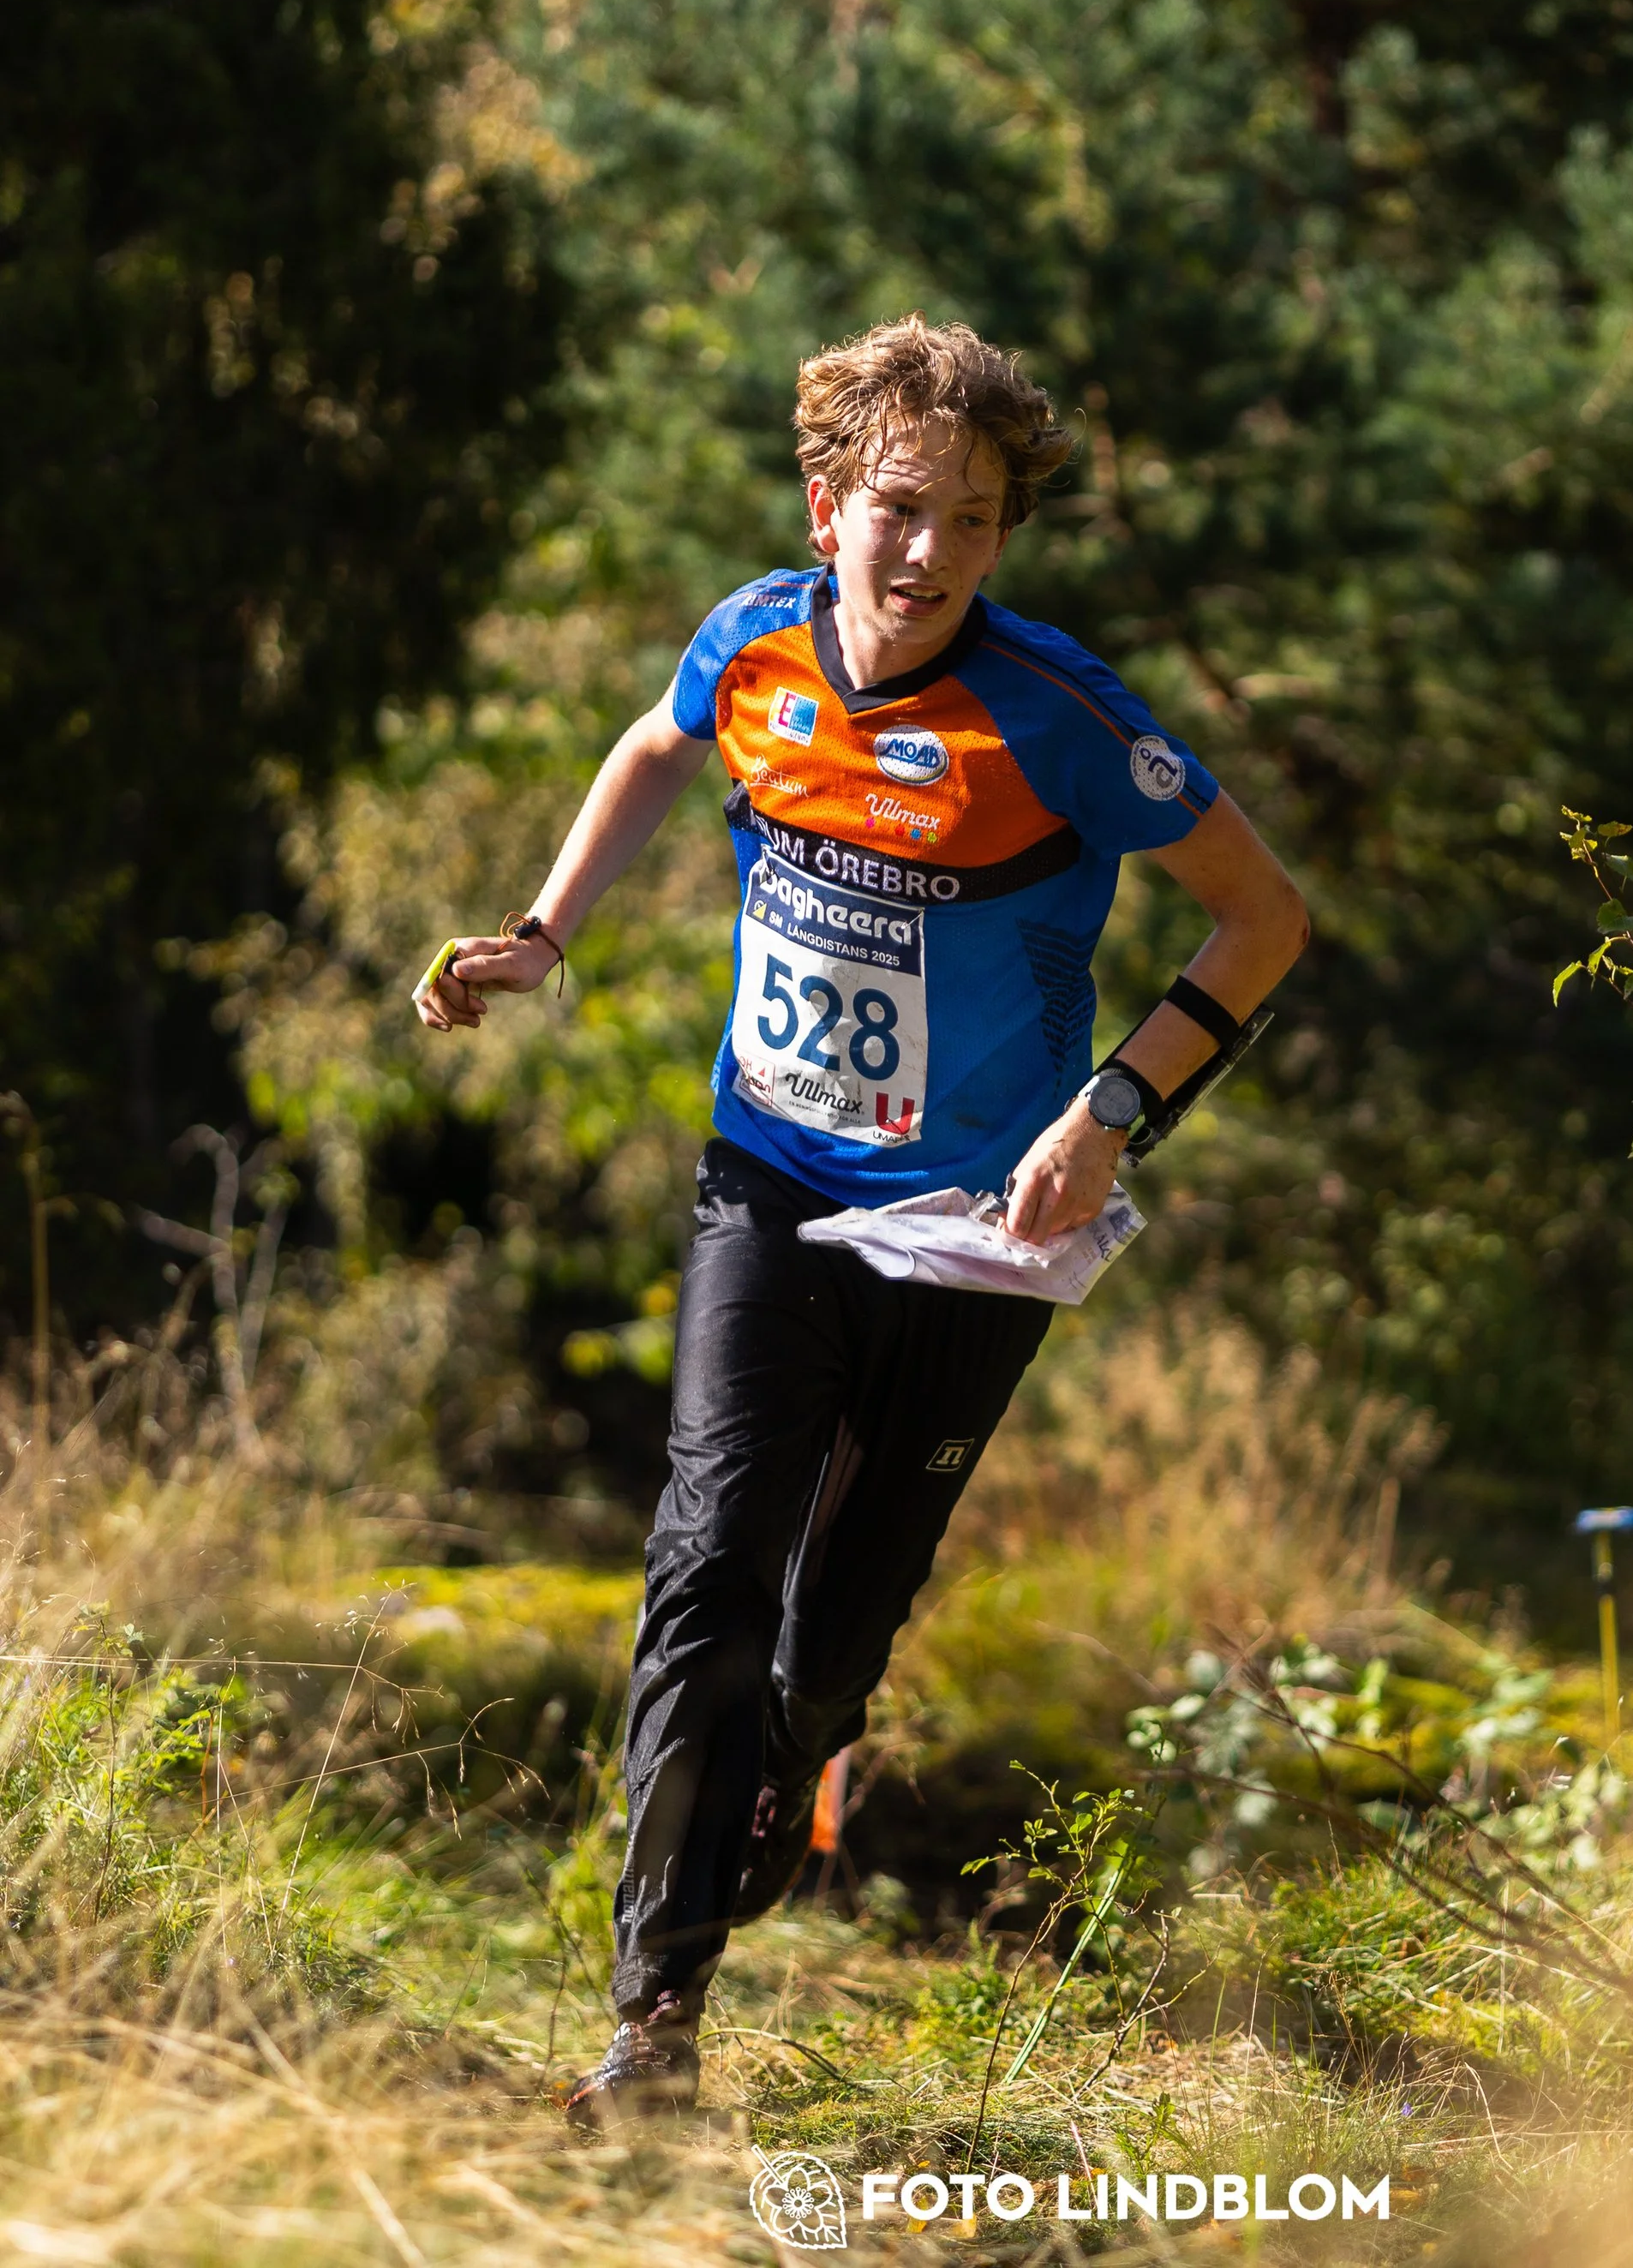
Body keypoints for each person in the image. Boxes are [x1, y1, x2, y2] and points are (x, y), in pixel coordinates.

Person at [413, 315, 1308, 2121]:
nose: (927, 550)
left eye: (970, 519)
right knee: (706, 1570)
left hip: (980, 1226)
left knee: (831, 1647)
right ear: (830, 507)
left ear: (998, 541)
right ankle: (651, 2021)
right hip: (770, 1183)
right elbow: (651, 743)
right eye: (899, 506)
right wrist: (548, 925)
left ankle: (778, 1784)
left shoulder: (1059, 715)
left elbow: (1262, 919)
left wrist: (1112, 1109)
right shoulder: (750, 641)